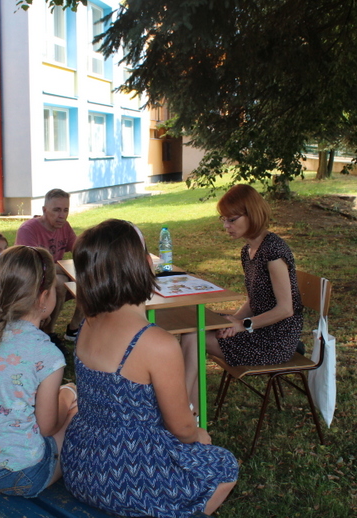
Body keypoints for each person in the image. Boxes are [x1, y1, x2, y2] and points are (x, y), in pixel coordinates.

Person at [62, 219, 238, 517]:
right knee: (224, 466)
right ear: (146, 264)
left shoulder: (87, 326)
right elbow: (182, 428)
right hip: (131, 475)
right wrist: (198, 436)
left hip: (81, 465)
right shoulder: (156, 343)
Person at [0, 245, 78, 497]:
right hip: (22, 476)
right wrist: (69, 395)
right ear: (44, 297)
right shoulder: (47, 354)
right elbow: (47, 427)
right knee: (76, 412)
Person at [181, 184, 304, 410]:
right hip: (257, 329)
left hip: (274, 340)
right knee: (193, 325)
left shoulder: (274, 252)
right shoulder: (248, 251)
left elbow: (286, 309)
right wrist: (233, 321)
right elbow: (254, 300)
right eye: (223, 219)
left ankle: (184, 409)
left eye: (232, 219)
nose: (226, 226)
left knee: (193, 335)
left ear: (252, 215)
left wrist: (242, 325)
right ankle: (188, 409)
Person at [15, 189, 83, 341]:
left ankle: (74, 328)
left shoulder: (64, 226)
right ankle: (49, 333)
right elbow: (35, 266)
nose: (62, 215)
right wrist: (66, 270)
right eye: (57, 210)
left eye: (65, 210)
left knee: (88, 279)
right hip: (29, 280)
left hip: (52, 274)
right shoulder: (28, 230)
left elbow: (79, 250)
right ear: (44, 210)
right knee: (60, 282)